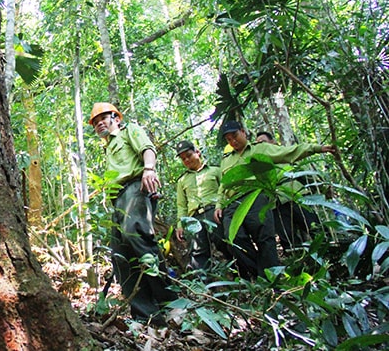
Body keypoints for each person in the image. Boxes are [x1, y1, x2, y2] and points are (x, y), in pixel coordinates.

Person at [89, 102, 177, 326]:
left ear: (115, 118)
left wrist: (149, 169)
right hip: (118, 200)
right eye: (95, 122)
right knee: (120, 254)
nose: (99, 124)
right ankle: (146, 316)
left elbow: (147, 149)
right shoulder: (107, 146)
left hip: (136, 188)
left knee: (136, 235)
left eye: (103, 119)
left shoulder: (130, 130)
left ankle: (172, 304)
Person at [214, 121, 335, 279]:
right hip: (232, 203)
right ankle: (259, 272)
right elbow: (223, 185)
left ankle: (271, 279)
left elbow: (288, 153)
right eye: (229, 139)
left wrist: (317, 148)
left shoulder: (260, 149)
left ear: (243, 132)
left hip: (255, 196)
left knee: (264, 238)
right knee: (234, 241)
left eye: (235, 136)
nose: (233, 141)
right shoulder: (226, 160)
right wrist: (219, 204)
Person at [255, 131, 321, 252]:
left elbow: (303, 172)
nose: (261, 146)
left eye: (263, 142)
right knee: (288, 238)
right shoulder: (259, 163)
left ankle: (328, 253)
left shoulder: (284, 155)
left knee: (313, 226)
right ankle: (299, 264)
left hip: (295, 194)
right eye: (258, 144)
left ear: (273, 142)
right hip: (275, 202)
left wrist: (322, 188)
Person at [174, 140, 231, 273]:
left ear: (197, 152)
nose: (186, 160)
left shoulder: (215, 171)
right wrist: (180, 225)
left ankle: (238, 274)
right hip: (194, 217)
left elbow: (224, 191)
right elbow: (182, 205)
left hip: (213, 212)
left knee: (224, 243)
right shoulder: (182, 181)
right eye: (183, 159)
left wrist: (221, 206)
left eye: (188, 155)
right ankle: (203, 286)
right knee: (198, 252)